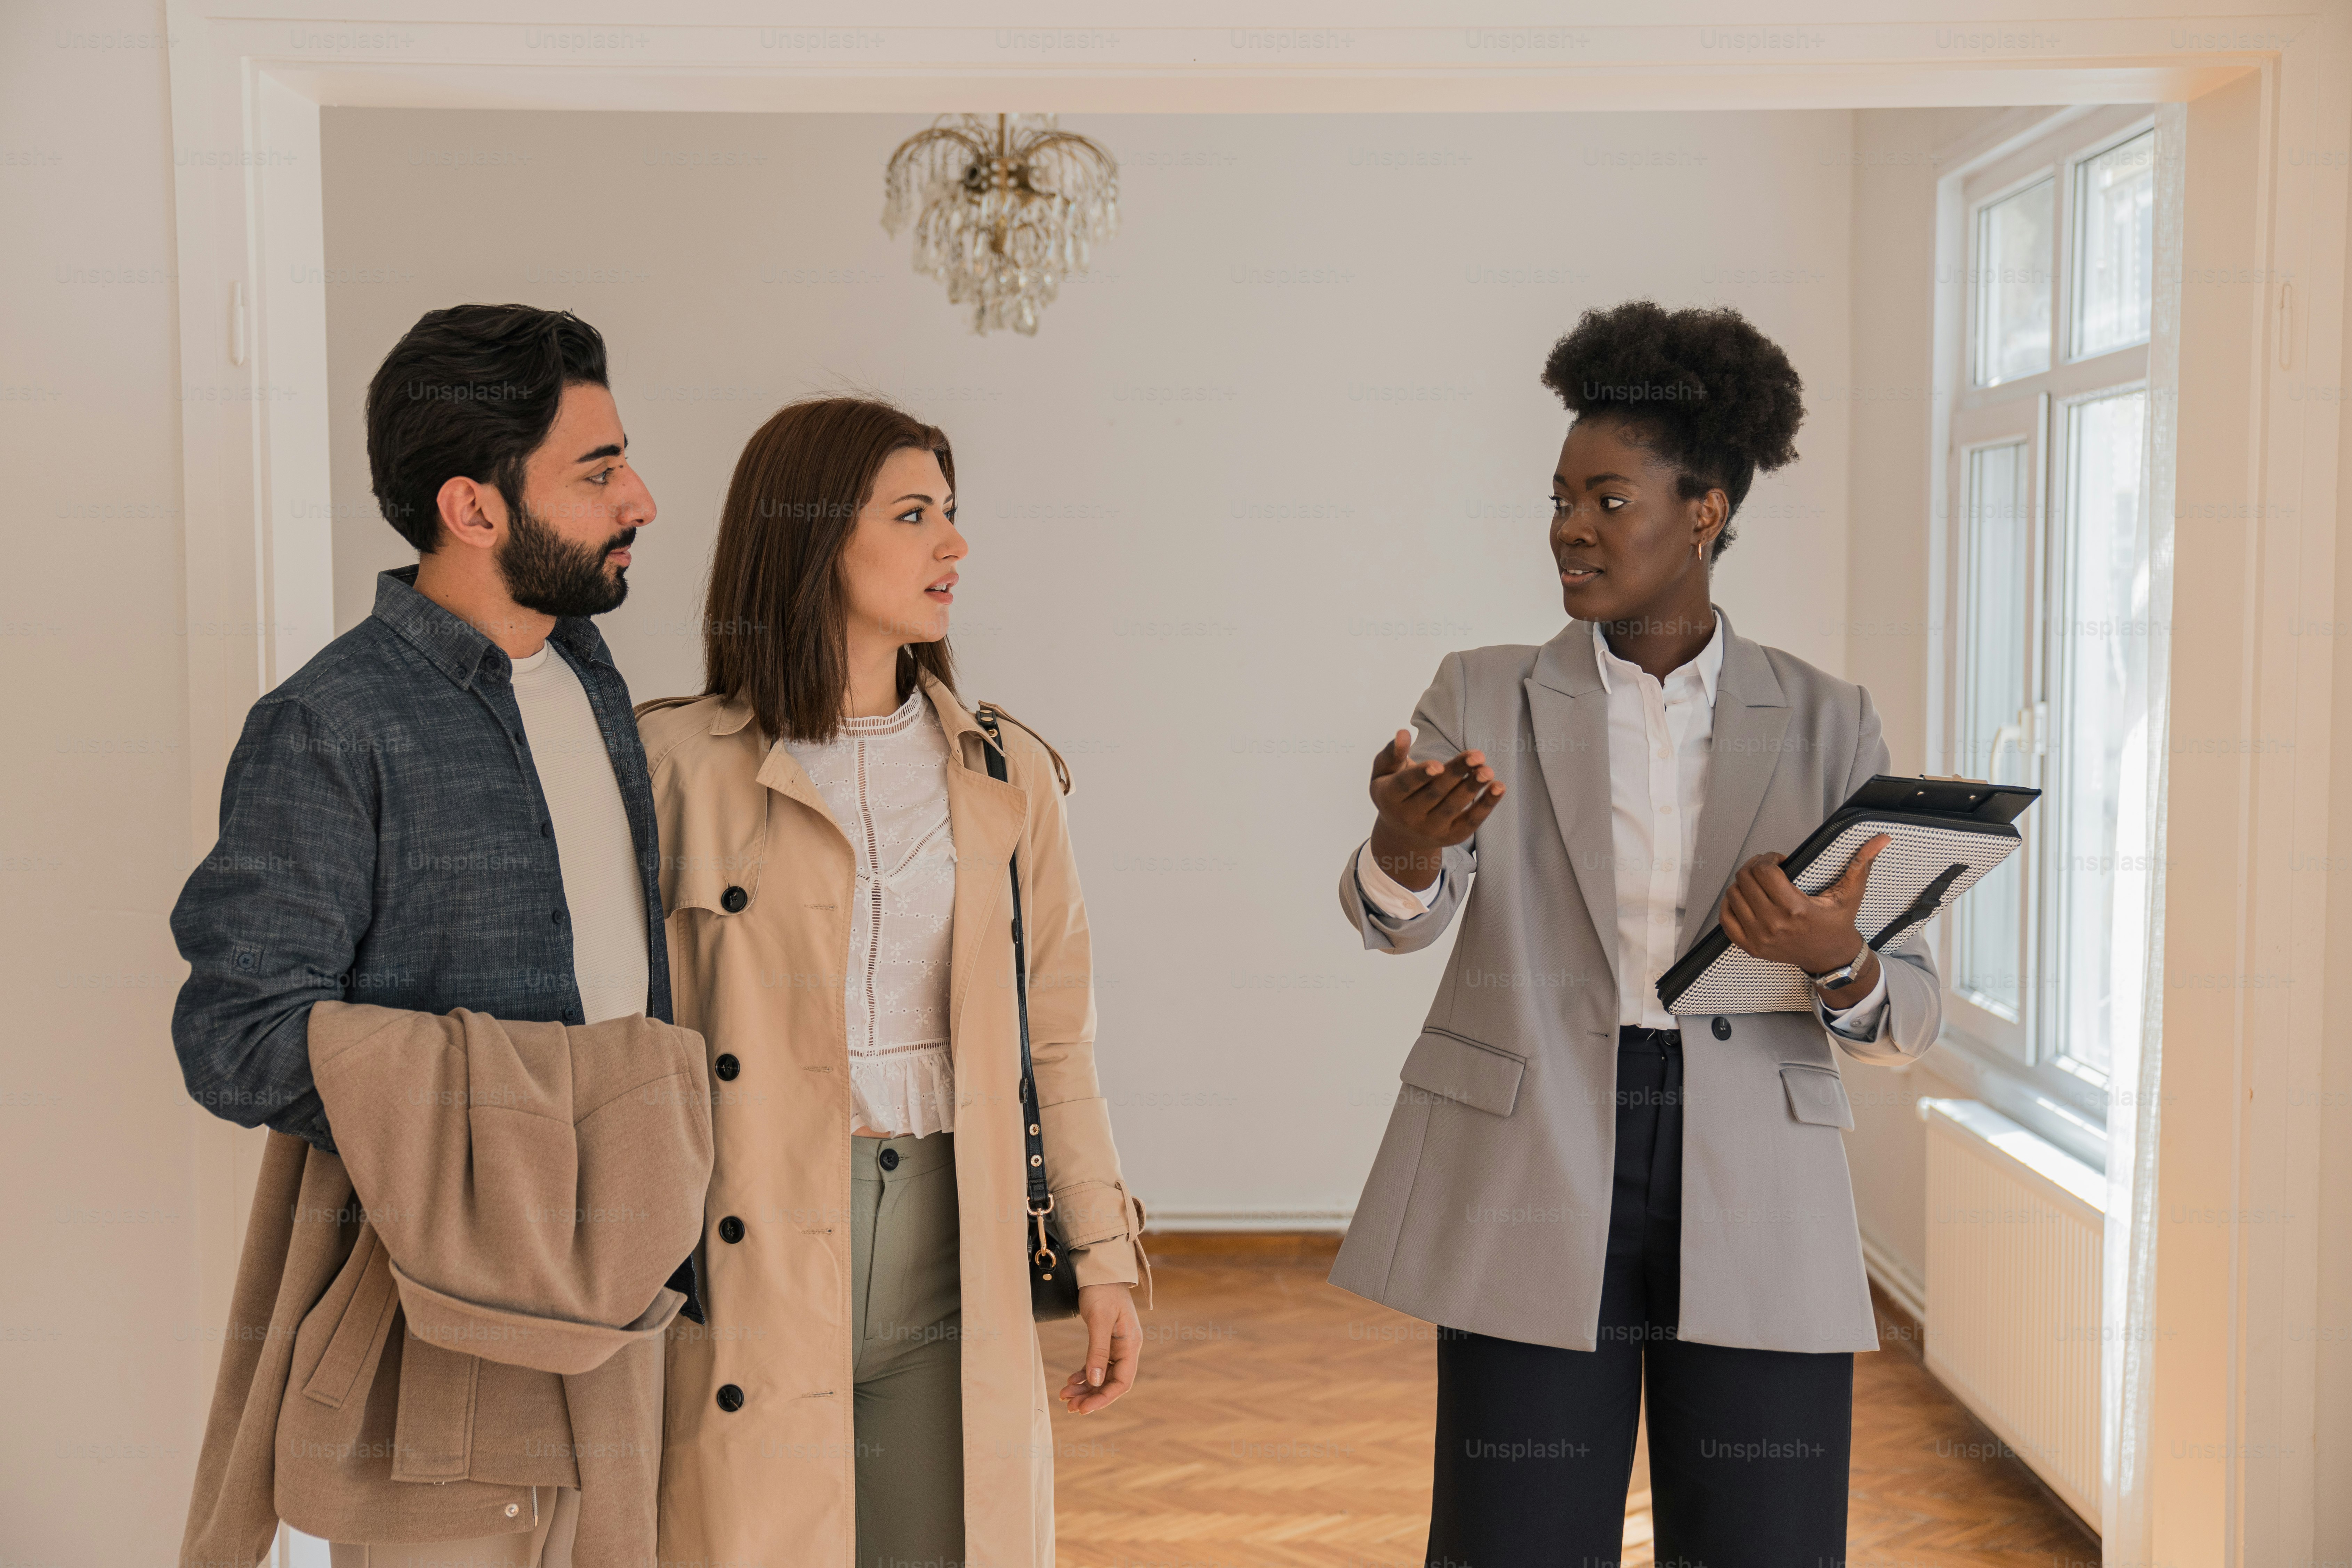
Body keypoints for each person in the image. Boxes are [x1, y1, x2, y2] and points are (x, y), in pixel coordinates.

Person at [1332, 300, 1937, 1568]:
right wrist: (1405, 851)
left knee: (1762, 1542)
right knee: (1517, 1538)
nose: (1568, 528)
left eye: (1608, 500)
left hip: (1757, 1171)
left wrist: (1833, 952)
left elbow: (1906, 1015)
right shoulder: (1480, 690)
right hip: (1535, 1150)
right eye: (1559, 498)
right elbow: (1396, 921)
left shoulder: (1830, 721)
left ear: (1704, 511)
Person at [170, 305, 709, 1568]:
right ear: (474, 509)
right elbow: (233, 1038)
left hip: (618, 1304)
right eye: (597, 472)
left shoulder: (586, 675)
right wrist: (514, 1129)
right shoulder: (326, 722)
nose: (641, 498)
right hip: (438, 1329)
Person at [639, 396, 1147, 1568]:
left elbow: (1057, 1046)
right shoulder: (673, 767)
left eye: (952, 515)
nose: (953, 546)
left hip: (949, 1247)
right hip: (743, 1249)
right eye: (914, 515)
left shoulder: (1008, 775)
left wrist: (1105, 1258)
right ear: (811, 537)